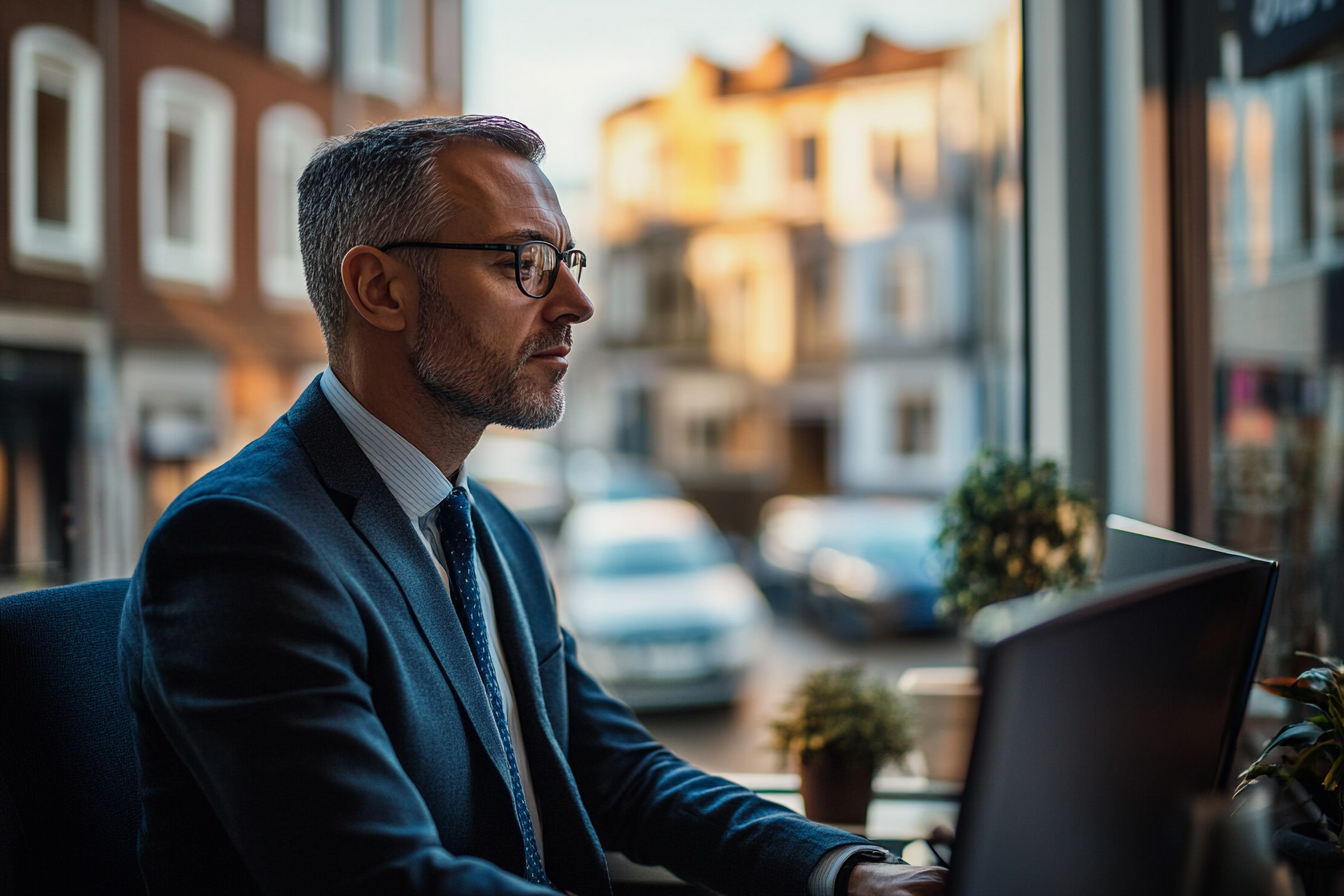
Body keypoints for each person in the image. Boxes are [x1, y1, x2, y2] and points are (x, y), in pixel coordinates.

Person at [118, 116, 947, 896]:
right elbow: (382, 879)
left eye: (566, 260)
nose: (574, 305)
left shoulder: (490, 530)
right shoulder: (242, 544)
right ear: (379, 289)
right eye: (522, 262)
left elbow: (615, 770)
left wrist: (843, 872)